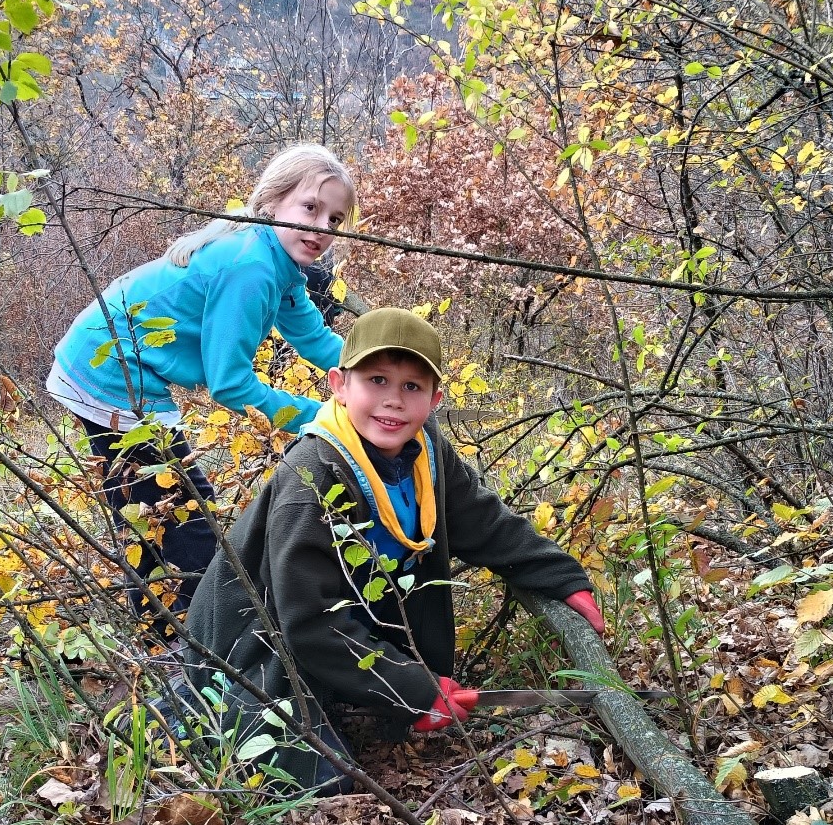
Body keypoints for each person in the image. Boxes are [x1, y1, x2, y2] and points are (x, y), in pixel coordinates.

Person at [180, 308, 607, 793]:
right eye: (377, 380)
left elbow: (485, 523)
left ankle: (357, 693)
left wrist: (562, 577)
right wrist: (413, 689)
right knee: (320, 786)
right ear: (339, 385)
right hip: (256, 637)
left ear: (435, 398)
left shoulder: (427, 450)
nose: (393, 402)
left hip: (343, 613)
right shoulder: (313, 474)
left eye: (412, 386)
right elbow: (307, 618)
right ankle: (199, 704)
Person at [46, 144, 354, 632]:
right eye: (310, 208)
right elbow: (230, 385)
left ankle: (174, 626)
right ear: (272, 201)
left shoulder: (281, 265)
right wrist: (323, 416)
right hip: (110, 372)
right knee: (182, 515)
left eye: (334, 220)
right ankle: (180, 638)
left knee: (164, 507)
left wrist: (373, 373)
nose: (322, 229)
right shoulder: (251, 268)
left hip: (123, 372)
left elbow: (315, 338)